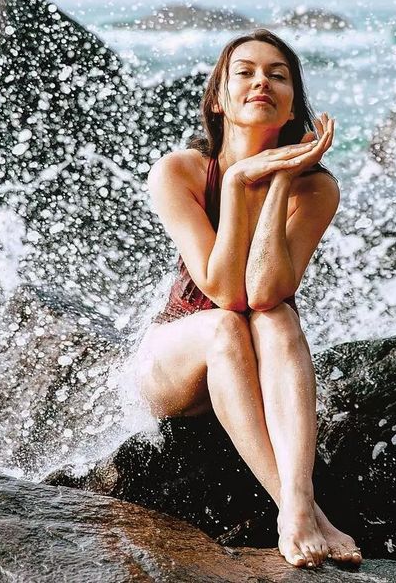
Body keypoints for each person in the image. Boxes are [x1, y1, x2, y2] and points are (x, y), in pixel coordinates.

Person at [135, 28, 362, 569]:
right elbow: (224, 292)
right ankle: (301, 510)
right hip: (174, 363)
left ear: (293, 106)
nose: (262, 82)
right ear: (219, 98)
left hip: (250, 359)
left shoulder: (315, 188)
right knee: (224, 324)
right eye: (246, 72)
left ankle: (297, 506)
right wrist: (236, 183)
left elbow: (263, 292)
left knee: (277, 317)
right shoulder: (180, 171)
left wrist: (280, 179)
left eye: (278, 75)